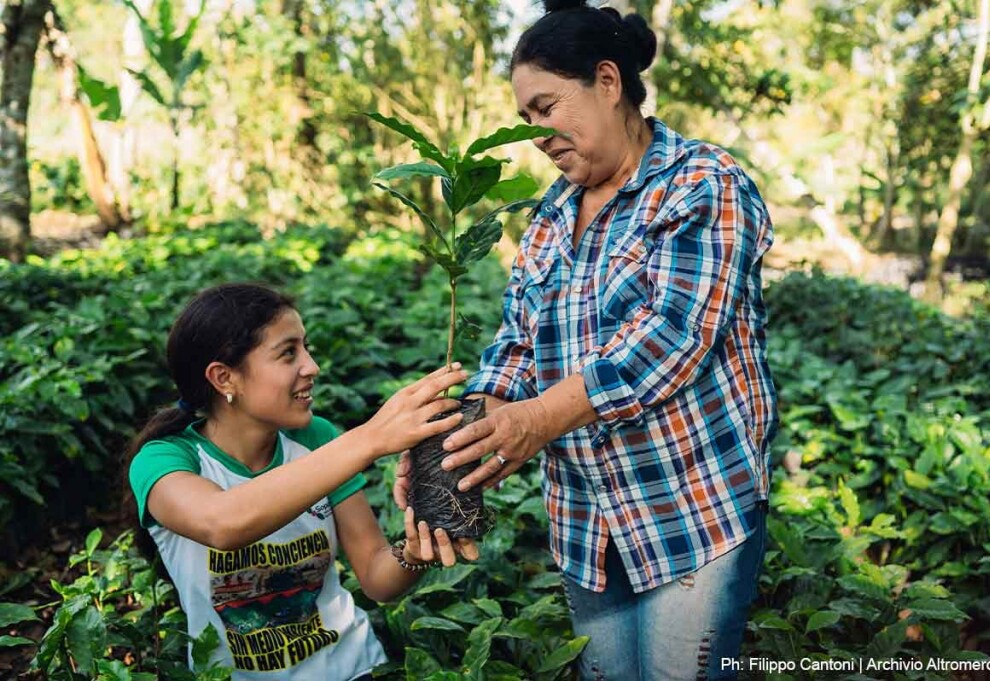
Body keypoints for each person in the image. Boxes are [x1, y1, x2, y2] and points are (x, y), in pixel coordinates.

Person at [432, 1, 779, 679]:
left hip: (692, 515)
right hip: (588, 527)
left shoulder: (704, 183)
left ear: (609, 82)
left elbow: (671, 339)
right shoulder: (551, 215)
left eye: (545, 105)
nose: (535, 131)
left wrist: (536, 418)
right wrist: (466, 439)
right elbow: (516, 342)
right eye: (526, 116)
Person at [126, 282, 477, 681]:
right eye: (288, 353)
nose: (312, 366)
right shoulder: (165, 460)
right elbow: (221, 523)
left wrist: (412, 554)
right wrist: (370, 438)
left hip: (356, 670)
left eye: (306, 348)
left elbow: (378, 579)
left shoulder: (317, 440)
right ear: (225, 378)